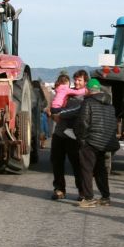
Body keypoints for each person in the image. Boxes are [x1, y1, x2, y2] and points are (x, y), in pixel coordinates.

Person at [74, 78, 117, 208]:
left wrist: (81, 140)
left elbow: (83, 123)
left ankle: (88, 198)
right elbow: (112, 124)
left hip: (91, 141)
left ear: (88, 89)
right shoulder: (109, 104)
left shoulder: (88, 103)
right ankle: (105, 197)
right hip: (103, 142)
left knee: (86, 169)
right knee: (101, 170)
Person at [50, 70, 88, 200]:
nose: (77, 82)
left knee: (77, 165)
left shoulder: (86, 97)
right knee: (57, 163)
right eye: (76, 79)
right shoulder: (67, 92)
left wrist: (61, 114)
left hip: (74, 136)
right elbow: (55, 107)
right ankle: (59, 189)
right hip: (59, 133)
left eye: (80, 80)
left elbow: (77, 112)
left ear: (85, 82)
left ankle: (82, 191)